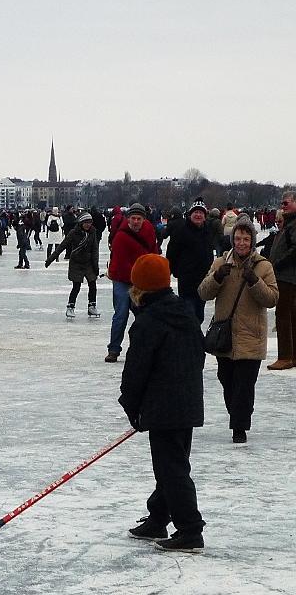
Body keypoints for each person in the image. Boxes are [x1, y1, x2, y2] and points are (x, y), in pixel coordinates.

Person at [118, 253, 206, 553]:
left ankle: (190, 529)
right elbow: (199, 356)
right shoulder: (185, 313)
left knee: (172, 470)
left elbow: (135, 372)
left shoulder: (148, 323)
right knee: (171, 466)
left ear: (139, 287)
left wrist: (132, 406)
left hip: (164, 407)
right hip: (187, 403)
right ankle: (158, 517)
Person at [197, 215, 278, 443]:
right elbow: (203, 292)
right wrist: (217, 277)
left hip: (251, 337)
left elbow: (272, 298)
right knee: (227, 380)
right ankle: (238, 417)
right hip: (226, 338)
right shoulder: (221, 263)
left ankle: (239, 427)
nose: (241, 243)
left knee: (244, 386)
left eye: (246, 238)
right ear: (232, 240)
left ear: (252, 241)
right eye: (238, 238)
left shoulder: (264, 266)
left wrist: (255, 281)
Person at [105, 203, 159, 363]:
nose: (136, 222)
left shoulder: (148, 229)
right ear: (128, 219)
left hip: (141, 279)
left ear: (144, 219)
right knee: (121, 315)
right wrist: (138, 281)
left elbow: (153, 250)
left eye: (139, 219)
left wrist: (155, 269)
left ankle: (144, 348)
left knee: (144, 316)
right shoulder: (121, 237)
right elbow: (122, 264)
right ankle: (113, 349)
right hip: (122, 279)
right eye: (133, 218)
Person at [165, 199, 215, 324]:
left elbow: (209, 253)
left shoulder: (207, 232)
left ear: (205, 215)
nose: (198, 215)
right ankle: (189, 342)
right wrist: (178, 272)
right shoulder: (181, 231)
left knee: (199, 316)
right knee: (188, 315)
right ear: (190, 214)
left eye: (201, 213)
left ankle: (194, 341)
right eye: (195, 212)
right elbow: (171, 254)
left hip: (203, 281)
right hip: (187, 282)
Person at [45, 212, 100, 318]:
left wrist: (95, 266)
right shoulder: (74, 233)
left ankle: (92, 306)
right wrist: (50, 259)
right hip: (76, 263)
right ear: (81, 223)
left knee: (92, 284)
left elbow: (94, 250)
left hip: (88, 263)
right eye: (86, 223)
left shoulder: (92, 232)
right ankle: (70, 307)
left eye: (90, 222)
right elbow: (62, 246)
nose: (88, 225)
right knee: (76, 286)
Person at [265, 191, 296, 370]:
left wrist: (278, 264)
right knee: (290, 314)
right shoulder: (289, 223)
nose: (283, 206)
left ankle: (285, 356)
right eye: (282, 203)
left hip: (286, 276)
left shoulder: (293, 224)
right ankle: (292, 355)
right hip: (286, 276)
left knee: (283, 315)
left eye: (286, 203)